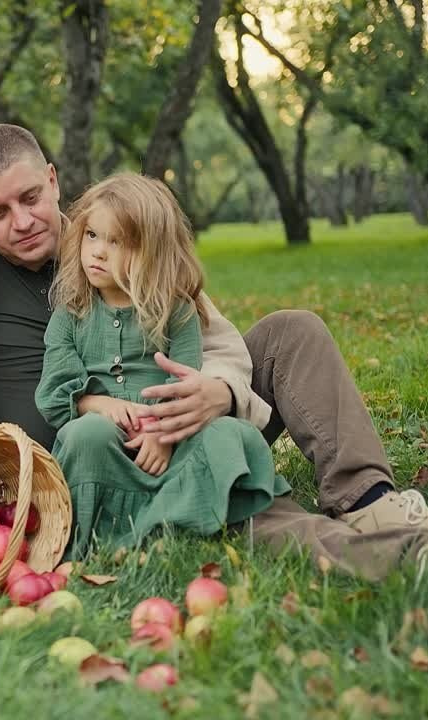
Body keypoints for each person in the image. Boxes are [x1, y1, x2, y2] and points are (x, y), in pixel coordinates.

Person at [0, 124, 428, 582]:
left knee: (292, 331)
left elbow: (213, 338)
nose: (22, 221)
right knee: (246, 511)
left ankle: (372, 502)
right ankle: (420, 557)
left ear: (51, 177)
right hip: (84, 463)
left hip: (173, 420)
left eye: (31, 197)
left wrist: (214, 393)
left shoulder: (121, 233)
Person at [36, 174, 290, 557]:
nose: (98, 252)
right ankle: (102, 535)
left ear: (151, 252)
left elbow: (185, 383)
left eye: (117, 241)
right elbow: (56, 394)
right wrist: (100, 405)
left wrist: (163, 435)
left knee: (223, 435)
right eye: (91, 235)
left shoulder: (176, 310)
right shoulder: (71, 313)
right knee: (84, 435)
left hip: (172, 438)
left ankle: (175, 520)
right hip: (107, 445)